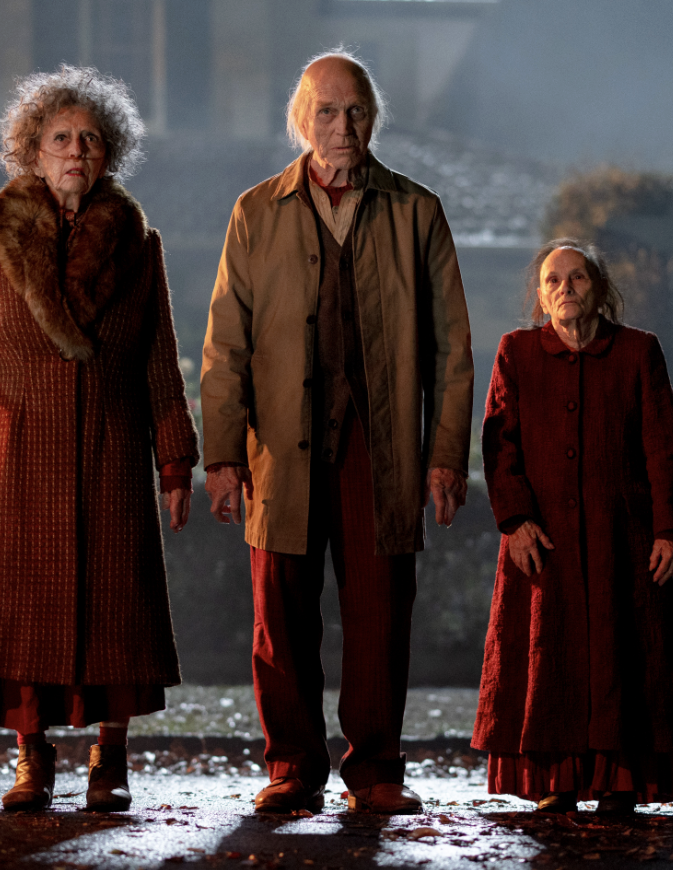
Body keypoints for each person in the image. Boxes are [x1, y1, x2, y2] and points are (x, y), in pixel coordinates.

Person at [0, 66, 196, 814]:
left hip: (110, 452)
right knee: (21, 609)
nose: (75, 150)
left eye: (90, 138)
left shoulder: (139, 244)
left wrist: (176, 459)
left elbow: (159, 360)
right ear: (32, 150)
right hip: (18, 453)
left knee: (115, 607)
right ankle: (33, 760)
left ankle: (108, 761)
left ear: (108, 153)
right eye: (60, 138)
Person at [201, 50, 474, 815]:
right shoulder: (256, 211)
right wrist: (221, 454)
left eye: (355, 110)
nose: (342, 125)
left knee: (381, 611)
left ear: (373, 118)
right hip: (278, 449)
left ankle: (377, 769)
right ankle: (291, 766)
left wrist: (445, 454)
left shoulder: (418, 210)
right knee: (279, 614)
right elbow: (225, 345)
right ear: (302, 121)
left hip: (381, 447)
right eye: (326, 111)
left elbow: (452, 348)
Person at [471, 239, 673, 816]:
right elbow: (500, 446)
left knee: (624, 654)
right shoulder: (517, 353)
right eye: (553, 280)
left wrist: (669, 528)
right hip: (542, 542)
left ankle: (620, 781)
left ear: (599, 287)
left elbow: (662, 447)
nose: (565, 288)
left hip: (621, 539)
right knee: (550, 658)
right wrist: (516, 521)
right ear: (541, 295)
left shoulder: (639, 353)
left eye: (577, 277)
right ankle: (557, 779)